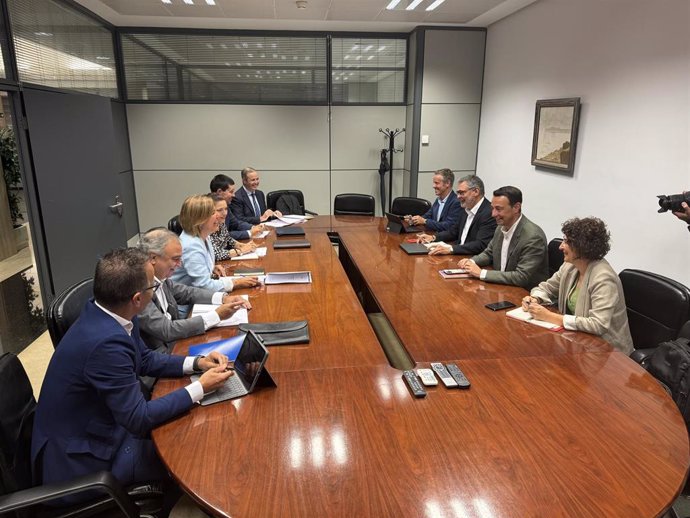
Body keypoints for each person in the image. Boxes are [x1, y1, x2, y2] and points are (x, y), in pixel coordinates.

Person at [31, 248, 235, 503]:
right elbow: (138, 418)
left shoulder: (113, 311)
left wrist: (198, 363)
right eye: (153, 286)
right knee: (196, 455)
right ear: (138, 298)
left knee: (197, 428)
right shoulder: (105, 344)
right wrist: (200, 389)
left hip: (105, 425)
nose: (157, 288)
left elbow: (145, 358)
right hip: (84, 461)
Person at [522, 217, 634, 354]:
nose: (560, 246)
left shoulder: (604, 278)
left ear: (582, 246)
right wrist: (535, 299)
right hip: (577, 342)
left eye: (567, 242)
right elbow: (546, 288)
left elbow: (598, 324)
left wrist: (550, 317)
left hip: (608, 354)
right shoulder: (569, 266)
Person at [138, 227, 252, 355]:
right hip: (162, 357)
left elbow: (187, 292)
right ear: (153, 258)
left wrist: (223, 298)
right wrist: (217, 315)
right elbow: (166, 330)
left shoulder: (161, 277)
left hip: (177, 343)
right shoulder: (139, 287)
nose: (180, 264)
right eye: (175, 259)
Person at [170, 195, 259, 305]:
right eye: (213, 213)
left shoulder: (204, 235)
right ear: (200, 219)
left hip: (200, 298)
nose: (218, 216)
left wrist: (210, 267)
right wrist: (236, 283)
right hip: (187, 307)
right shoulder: (191, 245)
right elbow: (204, 286)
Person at [459, 186, 548, 289]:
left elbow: (521, 277)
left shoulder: (533, 237)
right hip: (501, 287)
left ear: (516, 207)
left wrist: (481, 273)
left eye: (498, 209)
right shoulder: (501, 227)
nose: (493, 214)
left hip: (525, 294)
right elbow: (489, 253)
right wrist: (471, 262)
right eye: (493, 208)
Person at [419, 174, 497, 256]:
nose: (458, 197)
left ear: (476, 192)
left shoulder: (489, 213)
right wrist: (433, 238)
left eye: (461, 193)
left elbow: (481, 245)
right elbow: (454, 231)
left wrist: (451, 249)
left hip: (473, 259)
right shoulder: (466, 208)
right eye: (458, 193)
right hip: (459, 255)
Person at [209, 174, 265, 240]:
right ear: (219, 192)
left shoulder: (226, 206)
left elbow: (236, 223)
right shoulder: (208, 209)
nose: (234, 195)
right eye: (231, 192)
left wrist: (253, 227)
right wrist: (249, 233)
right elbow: (222, 235)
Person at [406, 168, 461, 232]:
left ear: (447, 183)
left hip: (448, 240)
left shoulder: (456, 202)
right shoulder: (438, 200)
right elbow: (427, 216)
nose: (433, 186)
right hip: (434, 236)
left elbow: (448, 226)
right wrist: (413, 220)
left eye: (436, 183)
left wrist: (425, 221)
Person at [209, 193, 258, 261]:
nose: (225, 213)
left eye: (226, 209)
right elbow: (215, 255)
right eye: (220, 210)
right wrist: (241, 251)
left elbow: (227, 239)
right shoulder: (206, 228)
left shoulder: (221, 222)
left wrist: (240, 245)